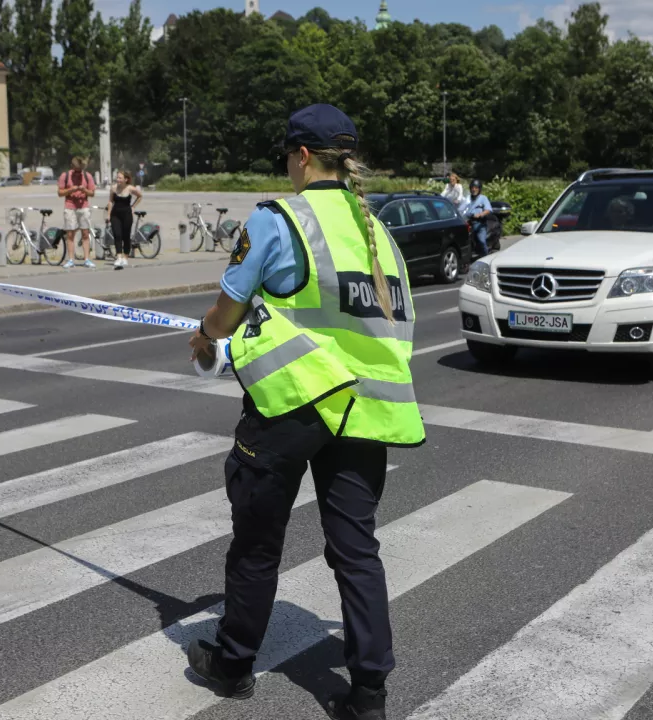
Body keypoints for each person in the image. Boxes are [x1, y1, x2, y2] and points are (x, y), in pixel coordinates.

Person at [185, 104, 425, 720]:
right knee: (355, 547)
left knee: (258, 544)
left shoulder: (277, 218)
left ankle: (234, 665)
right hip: (362, 411)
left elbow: (227, 311)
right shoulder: (377, 231)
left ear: (299, 157)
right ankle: (368, 690)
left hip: (291, 409)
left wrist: (205, 336)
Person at [57, 156, 96, 268]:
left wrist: (84, 190)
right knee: (70, 234)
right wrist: (71, 190)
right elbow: (60, 193)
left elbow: (92, 193)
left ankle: (87, 259)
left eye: (80, 170)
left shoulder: (87, 176)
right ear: (72, 167)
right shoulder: (65, 176)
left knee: (85, 233)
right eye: (77, 170)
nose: (79, 173)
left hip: (83, 206)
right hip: (70, 206)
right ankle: (70, 260)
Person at [104, 169, 143, 269]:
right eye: (117, 177)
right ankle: (118, 257)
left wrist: (133, 207)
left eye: (120, 178)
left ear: (126, 179)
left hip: (127, 214)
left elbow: (140, 196)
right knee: (117, 235)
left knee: (126, 236)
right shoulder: (113, 188)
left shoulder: (130, 188)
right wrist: (108, 215)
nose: (118, 179)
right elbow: (110, 202)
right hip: (115, 214)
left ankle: (125, 257)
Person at [464, 178, 493, 255]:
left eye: (476, 188)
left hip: (480, 224)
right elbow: (462, 207)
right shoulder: (467, 198)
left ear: (479, 189)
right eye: (472, 188)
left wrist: (480, 214)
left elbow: (488, 210)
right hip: (468, 223)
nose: (474, 189)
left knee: (481, 241)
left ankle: (486, 257)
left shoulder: (483, 198)